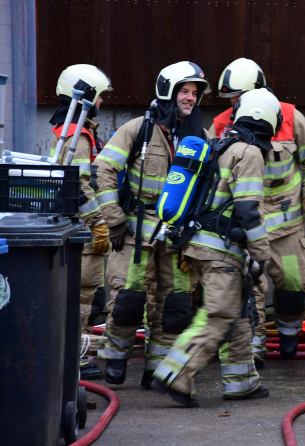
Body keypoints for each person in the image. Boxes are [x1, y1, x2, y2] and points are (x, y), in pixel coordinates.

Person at [152, 88, 278, 405]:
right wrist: (263, 255)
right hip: (220, 250)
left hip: (205, 244)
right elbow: (249, 211)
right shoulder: (248, 153)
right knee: (219, 315)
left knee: (235, 314)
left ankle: (241, 381)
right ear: (268, 118)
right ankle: (174, 373)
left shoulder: (223, 145)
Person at [95, 61, 209, 387]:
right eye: (184, 91)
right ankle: (115, 361)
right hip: (134, 236)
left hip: (176, 239)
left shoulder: (200, 136)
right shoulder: (137, 130)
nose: (189, 98)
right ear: (168, 91)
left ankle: (158, 371)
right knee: (128, 301)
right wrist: (114, 220)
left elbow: (211, 186)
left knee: (174, 305)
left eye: (194, 93)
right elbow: (102, 171)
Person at [212, 58, 305, 361]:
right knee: (250, 293)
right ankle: (253, 352)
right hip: (246, 228)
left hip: (287, 229)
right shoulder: (223, 123)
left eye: (237, 97)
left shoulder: (290, 117)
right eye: (230, 99)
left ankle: (289, 340)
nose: (233, 104)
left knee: (293, 287)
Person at [48, 64, 113, 380]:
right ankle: (78, 358)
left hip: (73, 225)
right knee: (84, 292)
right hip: (83, 227)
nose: (102, 103)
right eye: (99, 96)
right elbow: (81, 185)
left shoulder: (66, 131)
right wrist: (98, 223)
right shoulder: (79, 135)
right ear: (87, 95)